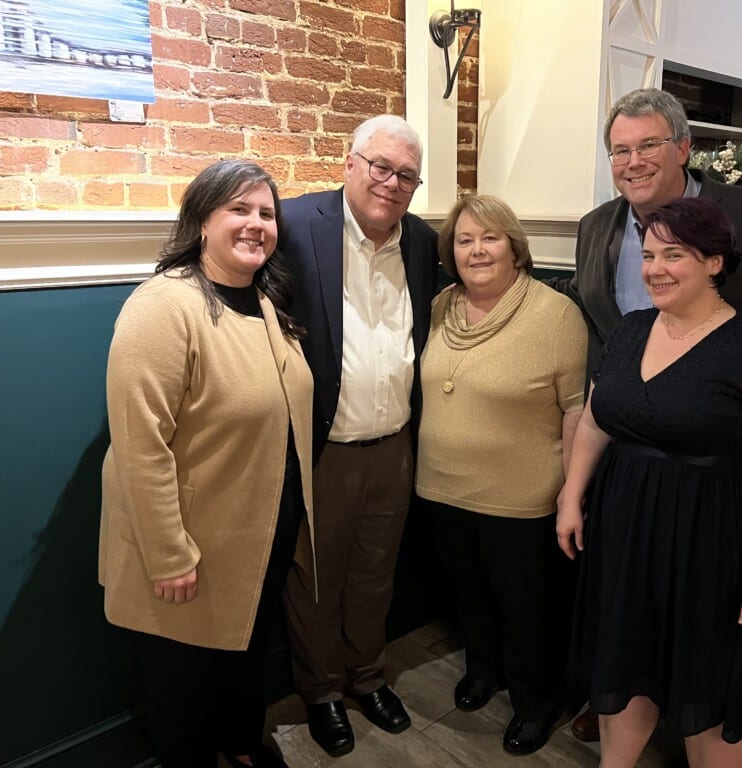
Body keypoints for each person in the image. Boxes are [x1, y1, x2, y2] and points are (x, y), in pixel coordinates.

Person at [563, 86, 742, 742]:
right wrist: (575, 488)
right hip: (628, 458)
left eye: (648, 144)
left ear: (684, 147)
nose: (633, 161)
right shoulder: (597, 226)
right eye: (619, 150)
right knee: (625, 627)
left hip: (713, 477)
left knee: (707, 652)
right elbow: (600, 348)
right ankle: (619, 707)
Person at [99, 160, 314, 768]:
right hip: (188, 546)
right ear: (200, 222)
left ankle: (241, 746)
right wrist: (169, 554)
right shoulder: (164, 307)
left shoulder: (266, 301)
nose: (256, 225)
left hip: (256, 533)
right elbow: (141, 446)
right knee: (181, 685)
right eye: (238, 210)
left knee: (244, 657)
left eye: (266, 213)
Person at [279, 114, 437, 757]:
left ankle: (366, 677)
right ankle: (322, 692)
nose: (392, 183)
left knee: (376, 573)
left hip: (396, 445)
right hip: (323, 448)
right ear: (349, 163)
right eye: (381, 166)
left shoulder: (425, 242)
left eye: (407, 175)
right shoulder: (293, 225)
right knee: (314, 579)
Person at [416, 195, 588, 756]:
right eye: (464, 240)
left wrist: (571, 493)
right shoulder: (442, 306)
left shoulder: (555, 314)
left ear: (515, 246)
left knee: (526, 605)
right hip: (440, 486)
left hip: (521, 497)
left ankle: (538, 701)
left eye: (489, 238)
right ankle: (483, 669)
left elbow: (575, 412)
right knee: (468, 591)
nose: (477, 250)